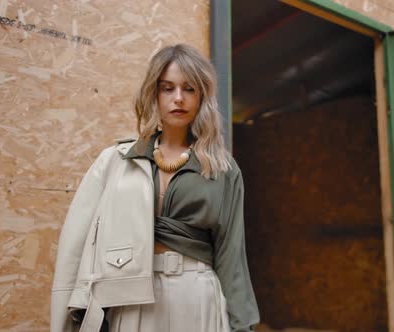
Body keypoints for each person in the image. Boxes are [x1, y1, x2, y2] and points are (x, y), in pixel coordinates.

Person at [50, 44, 259, 332]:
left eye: (189, 89)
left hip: (197, 296)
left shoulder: (223, 168)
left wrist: (241, 326)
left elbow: (231, 254)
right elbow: (77, 242)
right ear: (154, 94)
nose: (178, 98)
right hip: (132, 296)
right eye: (167, 88)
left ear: (201, 97)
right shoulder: (117, 161)